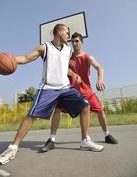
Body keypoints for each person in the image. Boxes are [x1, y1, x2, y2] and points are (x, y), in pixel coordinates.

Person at [0, 25, 104, 165]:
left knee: (85, 106)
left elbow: (63, 67)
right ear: (59, 32)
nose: (69, 36)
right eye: (67, 33)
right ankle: (13, 148)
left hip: (65, 87)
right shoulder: (44, 47)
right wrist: (10, 60)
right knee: (32, 115)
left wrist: (74, 74)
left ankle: (85, 140)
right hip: (48, 87)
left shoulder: (67, 50)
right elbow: (25, 58)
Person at [39, 32, 118, 153]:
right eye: (73, 41)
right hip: (70, 90)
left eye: (77, 41)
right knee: (58, 109)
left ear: (82, 42)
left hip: (86, 89)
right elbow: (58, 66)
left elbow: (100, 67)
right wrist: (67, 64)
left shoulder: (87, 57)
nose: (75, 43)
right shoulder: (67, 56)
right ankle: (51, 139)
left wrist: (100, 79)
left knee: (100, 111)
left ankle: (107, 135)